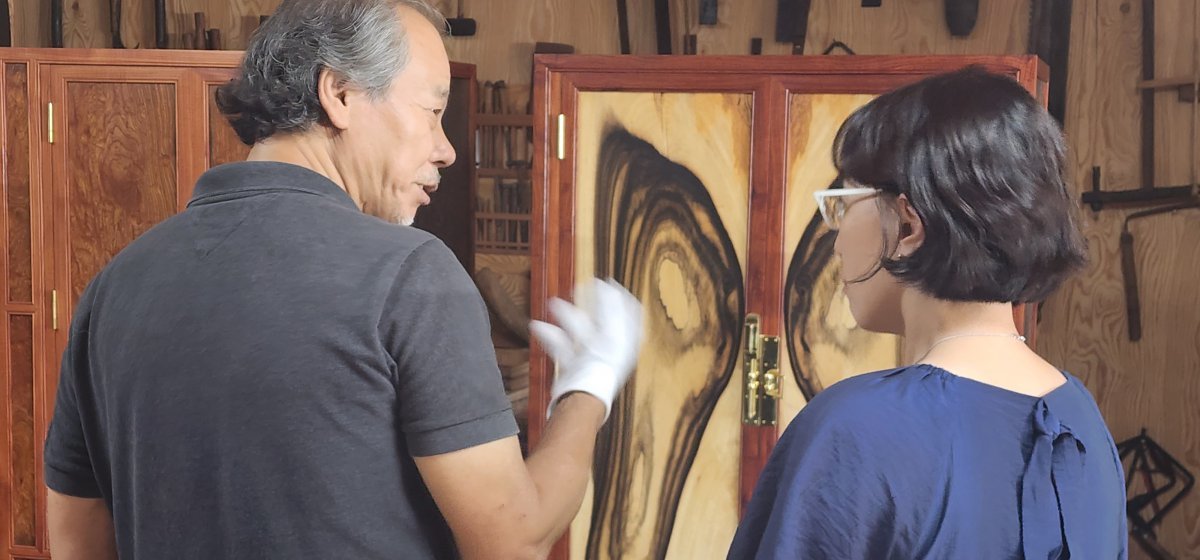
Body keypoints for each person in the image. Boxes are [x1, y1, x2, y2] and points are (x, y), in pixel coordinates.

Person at [43, 1, 643, 559]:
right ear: (340, 93)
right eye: (434, 113)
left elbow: (76, 542)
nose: (447, 150)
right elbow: (514, 540)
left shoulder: (115, 284)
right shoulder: (409, 274)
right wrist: (587, 389)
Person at [727, 67, 1127, 559]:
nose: (834, 238)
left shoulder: (859, 430)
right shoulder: (1080, 419)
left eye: (844, 201)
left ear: (909, 224)